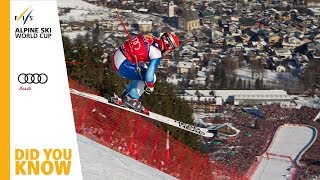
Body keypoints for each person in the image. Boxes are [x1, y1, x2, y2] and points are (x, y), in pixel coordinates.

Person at [111, 32, 179, 114]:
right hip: (122, 65)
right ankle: (131, 98)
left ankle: (125, 96)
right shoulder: (156, 52)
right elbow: (149, 76)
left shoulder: (150, 37)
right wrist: (150, 86)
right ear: (167, 46)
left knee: (144, 69)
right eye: (170, 50)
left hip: (118, 56)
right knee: (152, 78)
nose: (169, 53)